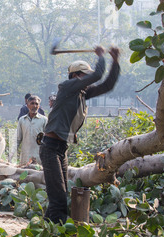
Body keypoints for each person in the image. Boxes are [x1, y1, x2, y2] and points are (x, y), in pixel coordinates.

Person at [39, 46, 120, 224]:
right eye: (85, 76)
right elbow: (98, 75)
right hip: (50, 148)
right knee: (59, 197)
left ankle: (45, 228)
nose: (89, 81)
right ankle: (58, 234)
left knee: (59, 193)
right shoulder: (67, 87)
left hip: (61, 149)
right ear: (76, 76)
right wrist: (100, 56)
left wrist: (115, 61)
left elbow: (107, 85)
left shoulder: (82, 94)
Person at [17, 95, 47, 166]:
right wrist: (11, 155)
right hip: (25, 158)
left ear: (39, 106)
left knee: (39, 176)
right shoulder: (22, 120)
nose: (34, 106)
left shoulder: (44, 120)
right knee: (24, 176)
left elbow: (47, 140)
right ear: (27, 105)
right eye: (32, 103)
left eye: (36, 104)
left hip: (39, 158)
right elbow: (18, 139)